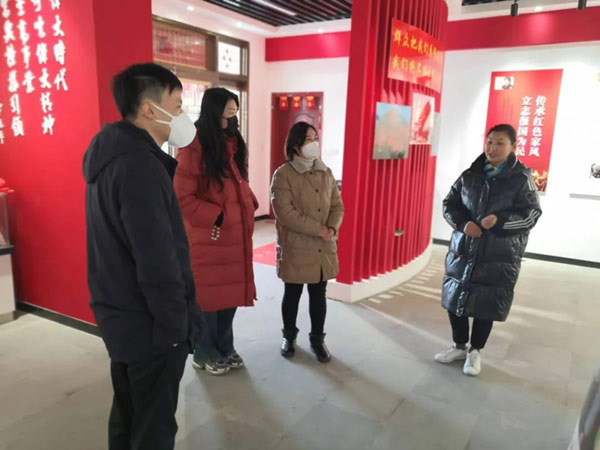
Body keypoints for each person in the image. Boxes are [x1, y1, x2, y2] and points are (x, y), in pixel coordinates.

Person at [83, 63, 203, 450]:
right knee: (153, 427)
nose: (183, 114)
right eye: (178, 105)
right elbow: (157, 259)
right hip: (149, 325)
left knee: (129, 412)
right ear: (151, 109)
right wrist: (175, 328)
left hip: (121, 316)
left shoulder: (112, 156)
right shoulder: (139, 166)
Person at [434, 124, 542, 377]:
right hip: (464, 249)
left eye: (500, 143)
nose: (492, 148)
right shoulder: (470, 174)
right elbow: (449, 204)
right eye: (490, 142)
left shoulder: (521, 179)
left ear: (513, 147)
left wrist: (500, 222)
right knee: (455, 299)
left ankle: (475, 351)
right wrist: (464, 224)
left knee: (486, 302)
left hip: (499, 255)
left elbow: (531, 215)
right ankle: (459, 346)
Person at [174, 87, 258, 376]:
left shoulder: (232, 142)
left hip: (235, 237)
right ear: (213, 110)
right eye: (228, 111)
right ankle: (204, 351)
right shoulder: (195, 144)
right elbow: (181, 197)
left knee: (230, 297)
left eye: (234, 111)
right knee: (209, 300)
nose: (232, 116)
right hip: (210, 237)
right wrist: (218, 217)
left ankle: (225, 345)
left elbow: (237, 183)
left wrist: (249, 203)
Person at [270, 122, 344, 363]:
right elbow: (285, 212)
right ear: (295, 145)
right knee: (292, 293)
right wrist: (318, 229)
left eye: (315, 138)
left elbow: (337, 205)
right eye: (308, 139)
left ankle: (317, 339)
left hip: (323, 246)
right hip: (297, 246)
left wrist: (331, 227)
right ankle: (288, 336)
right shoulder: (284, 174)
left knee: (318, 294)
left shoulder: (325, 172)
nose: (314, 143)